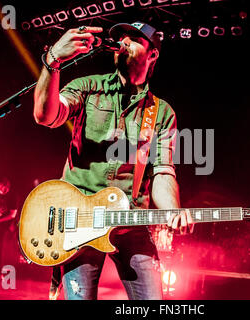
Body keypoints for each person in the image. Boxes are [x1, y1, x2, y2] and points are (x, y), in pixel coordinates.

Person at [33, 21, 194, 300]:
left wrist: (173, 211)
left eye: (133, 38)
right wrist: (53, 61)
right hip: (79, 221)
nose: (123, 42)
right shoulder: (88, 87)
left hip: (131, 222)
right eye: (121, 37)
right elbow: (46, 115)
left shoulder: (162, 112)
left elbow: (163, 173)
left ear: (153, 53)